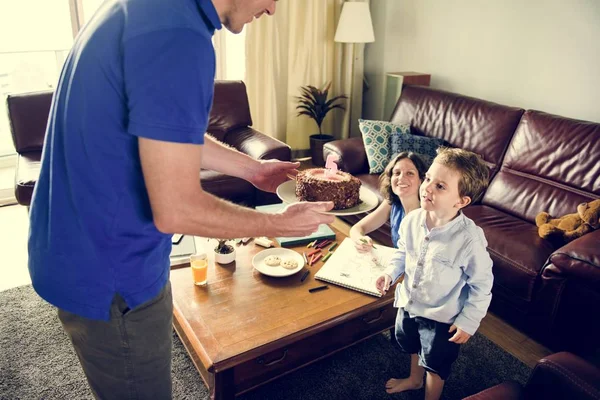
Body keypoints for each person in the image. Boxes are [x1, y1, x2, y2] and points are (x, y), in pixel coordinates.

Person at [27, 0, 334, 398]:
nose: (273, 10)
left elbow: (165, 131)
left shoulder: (151, 10)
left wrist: (253, 170)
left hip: (75, 247)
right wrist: (279, 223)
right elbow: (177, 210)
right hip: (112, 271)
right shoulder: (179, 37)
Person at [375, 147, 494, 400]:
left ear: (461, 201)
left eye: (440, 186)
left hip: (442, 317)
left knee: (436, 363)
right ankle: (414, 380)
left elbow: (482, 286)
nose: (427, 188)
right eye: (428, 178)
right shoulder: (412, 220)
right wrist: (390, 273)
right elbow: (403, 253)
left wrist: (469, 321)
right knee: (413, 346)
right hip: (409, 303)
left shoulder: (469, 240)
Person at [350, 152, 427, 252]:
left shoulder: (427, 214)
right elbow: (357, 228)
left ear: (421, 180)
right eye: (397, 173)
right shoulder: (392, 202)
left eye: (410, 173)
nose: (401, 178)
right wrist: (360, 240)